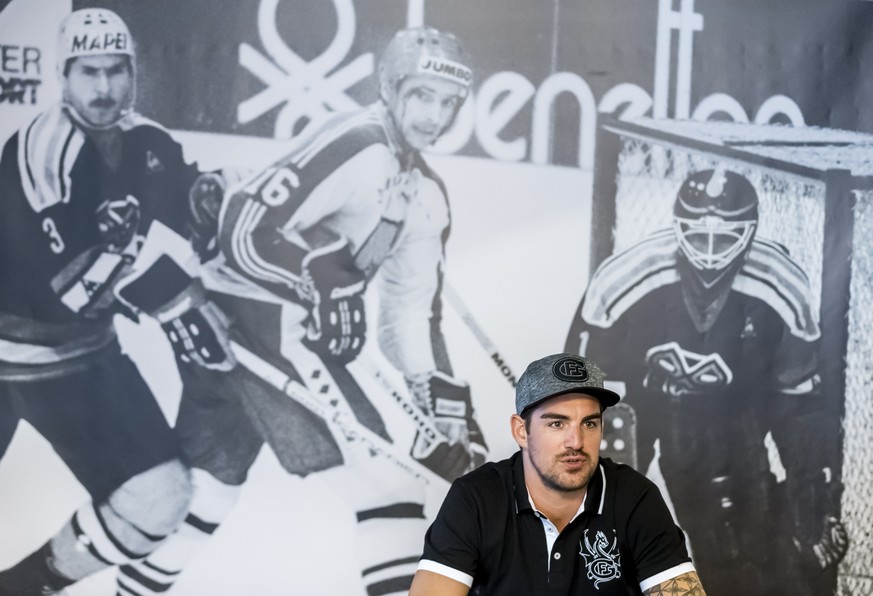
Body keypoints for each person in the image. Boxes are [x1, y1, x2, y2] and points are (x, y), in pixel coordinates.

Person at [111, 26, 487, 596]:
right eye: (421, 96)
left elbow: (407, 315)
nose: (434, 115)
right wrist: (322, 279)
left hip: (256, 336)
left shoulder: (425, 195)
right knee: (388, 490)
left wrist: (444, 400)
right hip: (255, 327)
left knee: (209, 490)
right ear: (390, 88)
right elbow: (242, 224)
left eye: (447, 103)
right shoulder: (355, 142)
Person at [564, 168, 848, 595]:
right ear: (677, 227)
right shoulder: (623, 279)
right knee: (593, 536)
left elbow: (798, 411)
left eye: (726, 237)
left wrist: (811, 497)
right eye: (697, 236)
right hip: (634, 409)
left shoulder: (783, 287)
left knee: (738, 549)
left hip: (726, 415)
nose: (710, 252)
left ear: (749, 233)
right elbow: (575, 385)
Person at [0, 8, 198, 595]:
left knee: (160, 498)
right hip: (9, 353)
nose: (106, 88)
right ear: (64, 74)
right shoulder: (41, 149)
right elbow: (72, 288)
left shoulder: (151, 144)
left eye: (118, 71)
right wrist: (179, 298)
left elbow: (193, 233)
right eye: (90, 71)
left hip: (83, 359)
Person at [408, 352, 705, 595]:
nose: (576, 442)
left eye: (589, 423)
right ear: (521, 431)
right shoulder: (475, 499)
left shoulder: (635, 498)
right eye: (557, 424)